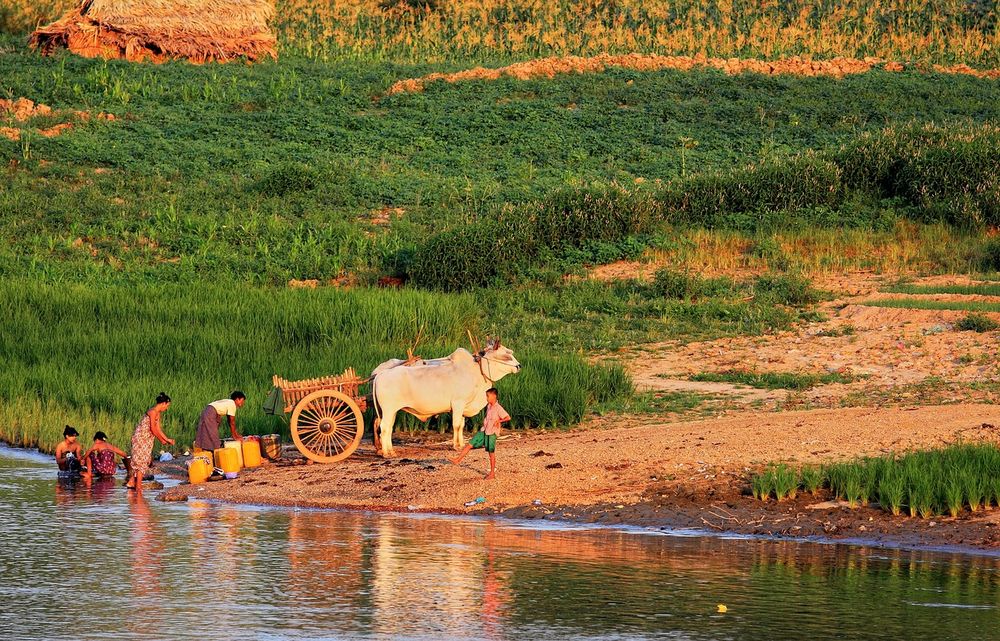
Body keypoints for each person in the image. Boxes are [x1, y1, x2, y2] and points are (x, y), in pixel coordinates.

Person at [450, 387, 510, 479]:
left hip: (492, 433)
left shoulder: (498, 408)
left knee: (491, 453)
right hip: (484, 430)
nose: (486, 398)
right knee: (470, 444)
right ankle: (458, 459)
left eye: (488, 396)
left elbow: (508, 417)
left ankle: (492, 474)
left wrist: (499, 421)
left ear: (494, 396)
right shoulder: (488, 406)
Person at [128, 392, 174, 493]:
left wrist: (167, 439)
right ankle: (138, 487)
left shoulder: (158, 414)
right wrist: (161, 440)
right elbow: (153, 428)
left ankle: (132, 482)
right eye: (167, 405)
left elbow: (158, 429)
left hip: (148, 439)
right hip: (141, 438)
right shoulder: (152, 412)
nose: (166, 408)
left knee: (143, 460)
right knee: (141, 462)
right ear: (163, 403)